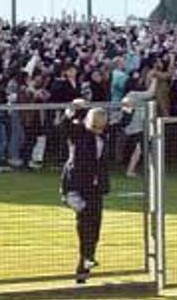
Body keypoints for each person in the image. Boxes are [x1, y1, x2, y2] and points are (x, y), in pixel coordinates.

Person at [61, 103, 110, 284]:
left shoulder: (103, 135)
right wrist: (71, 110)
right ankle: (83, 265)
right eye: (100, 121)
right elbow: (64, 127)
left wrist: (128, 109)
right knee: (85, 226)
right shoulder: (79, 133)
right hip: (78, 187)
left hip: (96, 188)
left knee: (95, 227)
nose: (103, 125)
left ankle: (87, 260)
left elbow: (123, 124)